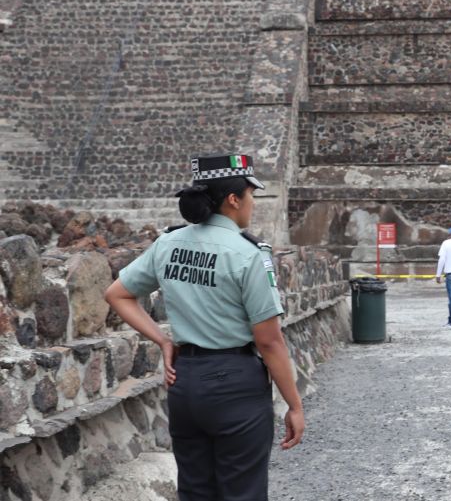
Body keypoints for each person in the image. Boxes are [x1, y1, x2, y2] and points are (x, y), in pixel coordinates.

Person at [105, 154, 305, 501]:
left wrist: (163, 341)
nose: (253, 203)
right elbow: (270, 342)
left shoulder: (169, 244)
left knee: (195, 490)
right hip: (236, 384)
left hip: (185, 382)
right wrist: (295, 405)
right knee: (242, 491)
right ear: (233, 200)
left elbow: (117, 294)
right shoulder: (247, 255)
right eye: (251, 194)